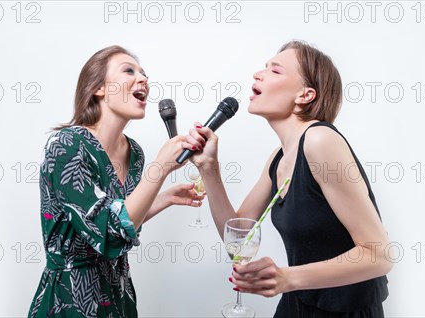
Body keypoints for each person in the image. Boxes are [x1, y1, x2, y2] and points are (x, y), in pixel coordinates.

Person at [183, 40, 392, 317]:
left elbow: (378, 255)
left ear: (305, 95)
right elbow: (237, 237)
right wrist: (209, 168)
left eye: (275, 70)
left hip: (343, 311)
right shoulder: (278, 157)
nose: (258, 74)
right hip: (296, 304)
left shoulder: (320, 140)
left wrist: (287, 278)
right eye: (264, 67)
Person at [28, 45, 203, 317]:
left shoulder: (134, 153)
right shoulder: (66, 146)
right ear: (99, 88)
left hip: (118, 293)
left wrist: (164, 199)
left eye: (144, 73)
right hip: (71, 298)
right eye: (129, 70)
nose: (143, 79)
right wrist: (159, 168)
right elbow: (106, 232)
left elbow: (123, 221)